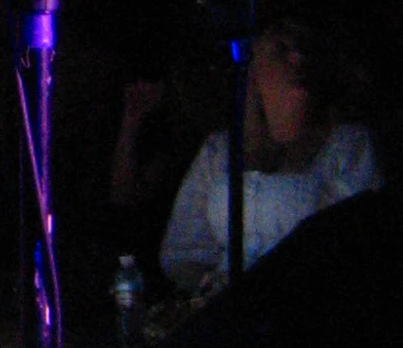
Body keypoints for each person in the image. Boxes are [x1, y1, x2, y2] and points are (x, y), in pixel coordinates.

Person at [159, 18, 380, 294]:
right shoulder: (220, 150)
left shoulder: (347, 145)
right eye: (280, 51)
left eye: (302, 50)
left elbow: (353, 243)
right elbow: (185, 250)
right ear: (254, 68)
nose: (296, 59)